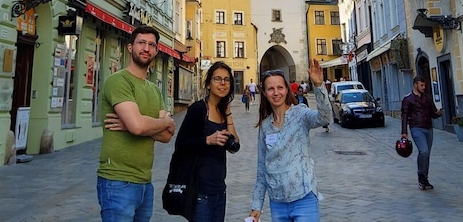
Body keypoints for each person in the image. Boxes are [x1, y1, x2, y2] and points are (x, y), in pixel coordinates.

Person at [97, 25, 176, 221]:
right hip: (117, 180)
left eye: (151, 45)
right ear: (130, 47)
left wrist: (136, 126)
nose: (146, 48)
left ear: (156, 51)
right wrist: (159, 122)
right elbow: (140, 126)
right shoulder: (118, 81)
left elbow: (167, 136)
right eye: (141, 43)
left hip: (145, 182)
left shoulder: (154, 89)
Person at [249, 60, 332, 222]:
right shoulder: (265, 126)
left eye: (280, 87)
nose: (276, 92)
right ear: (264, 93)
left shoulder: (300, 114)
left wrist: (319, 86)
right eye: (270, 89)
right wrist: (256, 206)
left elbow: (325, 117)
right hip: (278, 202)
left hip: (304, 198)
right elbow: (261, 168)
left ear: (287, 90)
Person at [174, 62, 240, 222]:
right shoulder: (198, 109)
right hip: (199, 191)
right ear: (209, 84)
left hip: (219, 189)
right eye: (217, 79)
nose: (223, 83)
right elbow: (181, 144)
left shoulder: (222, 111)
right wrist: (208, 140)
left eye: (226, 80)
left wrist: (228, 115)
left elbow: (235, 146)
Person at [401, 75, 443, 191]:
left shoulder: (427, 98)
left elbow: (433, 113)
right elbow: (404, 115)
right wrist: (404, 132)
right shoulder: (408, 99)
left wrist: (438, 113)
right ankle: (421, 176)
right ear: (415, 85)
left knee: (427, 154)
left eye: (424, 85)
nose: (424, 87)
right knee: (423, 150)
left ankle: (425, 178)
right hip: (416, 127)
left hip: (428, 128)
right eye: (421, 85)